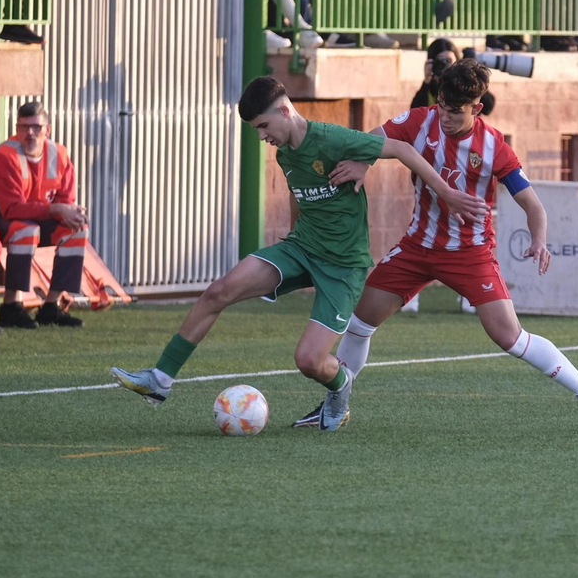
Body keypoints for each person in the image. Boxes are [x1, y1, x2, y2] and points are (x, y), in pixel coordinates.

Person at [109, 75, 491, 429]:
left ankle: (340, 385)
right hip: (301, 248)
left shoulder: (333, 139)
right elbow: (297, 193)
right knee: (218, 291)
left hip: (343, 266)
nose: (262, 136)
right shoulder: (285, 154)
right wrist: (292, 242)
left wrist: (445, 193)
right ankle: (159, 379)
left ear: (285, 111)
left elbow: (404, 149)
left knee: (309, 361)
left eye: (263, 126)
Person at [283, 61, 578, 432]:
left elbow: (532, 204)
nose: (445, 115)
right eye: (442, 104)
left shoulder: (494, 147)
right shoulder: (420, 120)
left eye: (455, 110)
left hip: (470, 253)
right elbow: (371, 141)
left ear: (476, 107)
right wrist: (363, 163)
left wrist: (538, 239)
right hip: (417, 248)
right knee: (360, 322)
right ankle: (336, 402)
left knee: (509, 337)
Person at [0, 101, 92, 330]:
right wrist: (56, 209)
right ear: (16, 129)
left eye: (36, 127)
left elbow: (65, 198)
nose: (30, 133)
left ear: (48, 129)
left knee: (76, 228)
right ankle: (11, 307)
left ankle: (51, 307)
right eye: (24, 127)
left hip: (31, 214)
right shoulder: (3, 156)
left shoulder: (60, 154)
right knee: (25, 230)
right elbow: (12, 209)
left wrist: (69, 211)